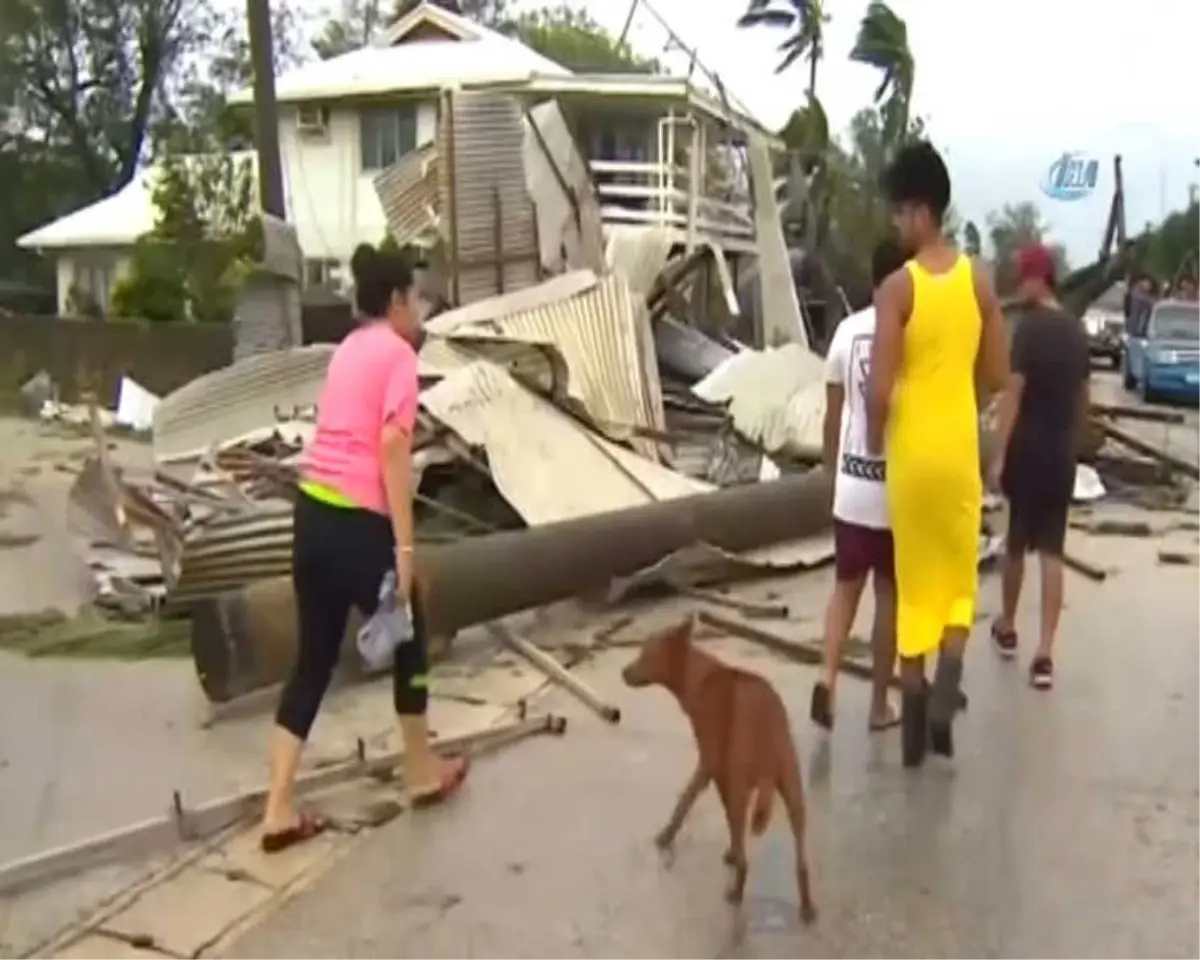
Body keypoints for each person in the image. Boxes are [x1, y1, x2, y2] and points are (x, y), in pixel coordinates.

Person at [259, 244, 469, 853]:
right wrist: (405, 549)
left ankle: (277, 810)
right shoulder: (398, 357)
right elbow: (392, 450)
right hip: (358, 522)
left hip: (312, 517)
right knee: (409, 636)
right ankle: (422, 772)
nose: (422, 307)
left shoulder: (348, 350)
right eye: (418, 297)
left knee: (313, 662)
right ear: (398, 300)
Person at [866, 141, 1010, 768]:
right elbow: (999, 373)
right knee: (956, 579)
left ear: (921, 210)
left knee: (911, 583)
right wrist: (963, 399)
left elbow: (878, 390)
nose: (896, 225)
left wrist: (875, 439)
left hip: (911, 453)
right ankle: (948, 685)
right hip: (957, 448)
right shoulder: (979, 281)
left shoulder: (898, 288)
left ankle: (914, 733)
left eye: (899, 213)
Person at [809, 238, 909, 734]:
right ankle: (877, 706)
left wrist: (833, 475)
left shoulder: (846, 333)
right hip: (895, 493)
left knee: (845, 590)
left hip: (851, 487)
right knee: (889, 596)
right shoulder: (913, 337)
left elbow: (832, 417)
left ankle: (827, 680)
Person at [988, 244, 1090, 689]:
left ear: (1038, 279)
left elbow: (1013, 395)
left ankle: (1008, 627)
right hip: (1059, 455)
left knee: (1015, 544)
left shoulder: (1028, 330)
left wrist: (998, 453)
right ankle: (1045, 654)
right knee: (1052, 551)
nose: (1019, 284)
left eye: (1023, 276)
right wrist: (1075, 441)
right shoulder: (1075, 330)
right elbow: (1084, 398)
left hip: (1027, 452)